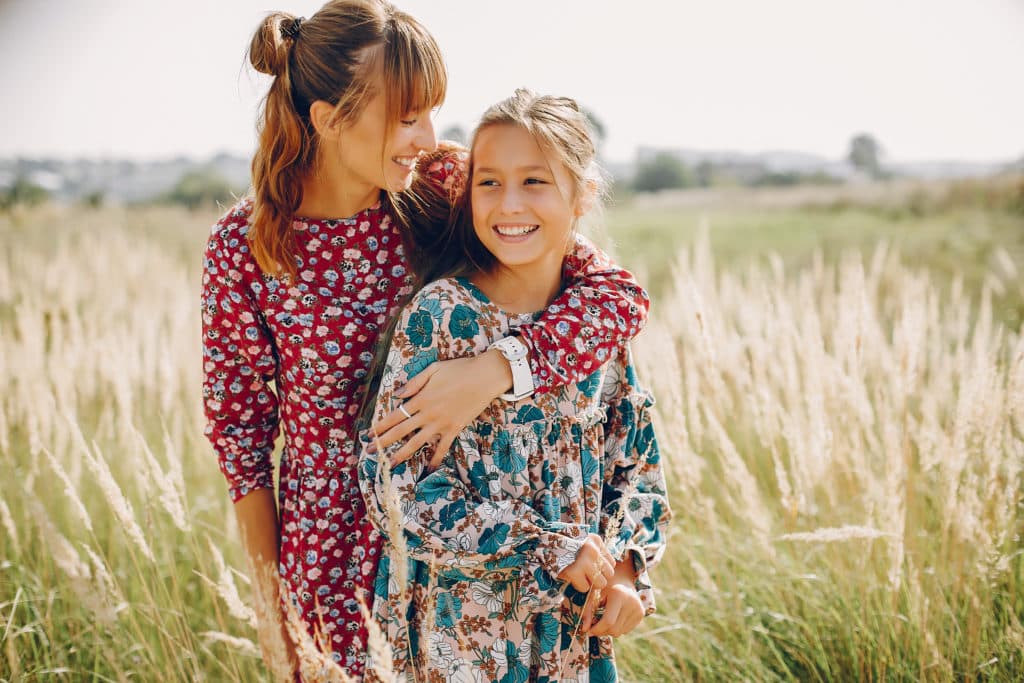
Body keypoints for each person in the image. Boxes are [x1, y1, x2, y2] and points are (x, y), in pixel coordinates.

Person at [200, 1, 650, 679]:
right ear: (328, 118)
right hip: (330, 570)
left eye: (431, 111)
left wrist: (497, 369)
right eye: (407, 115)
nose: (428, 135)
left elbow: (616, 299)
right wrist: (276, 624)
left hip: (463, 555)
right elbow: (242, 442)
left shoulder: (442, 187)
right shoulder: (245, 248)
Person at [359, 89, 671, 683]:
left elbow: (636, 464)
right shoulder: (442, 317)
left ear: (583, 195)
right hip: (458, 638)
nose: (509, 204)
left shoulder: (593, 323)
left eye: (534, 182)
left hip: (571, 641)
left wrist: (628, 569)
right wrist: (548, 548)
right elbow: (392, 487)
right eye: (488, 182)